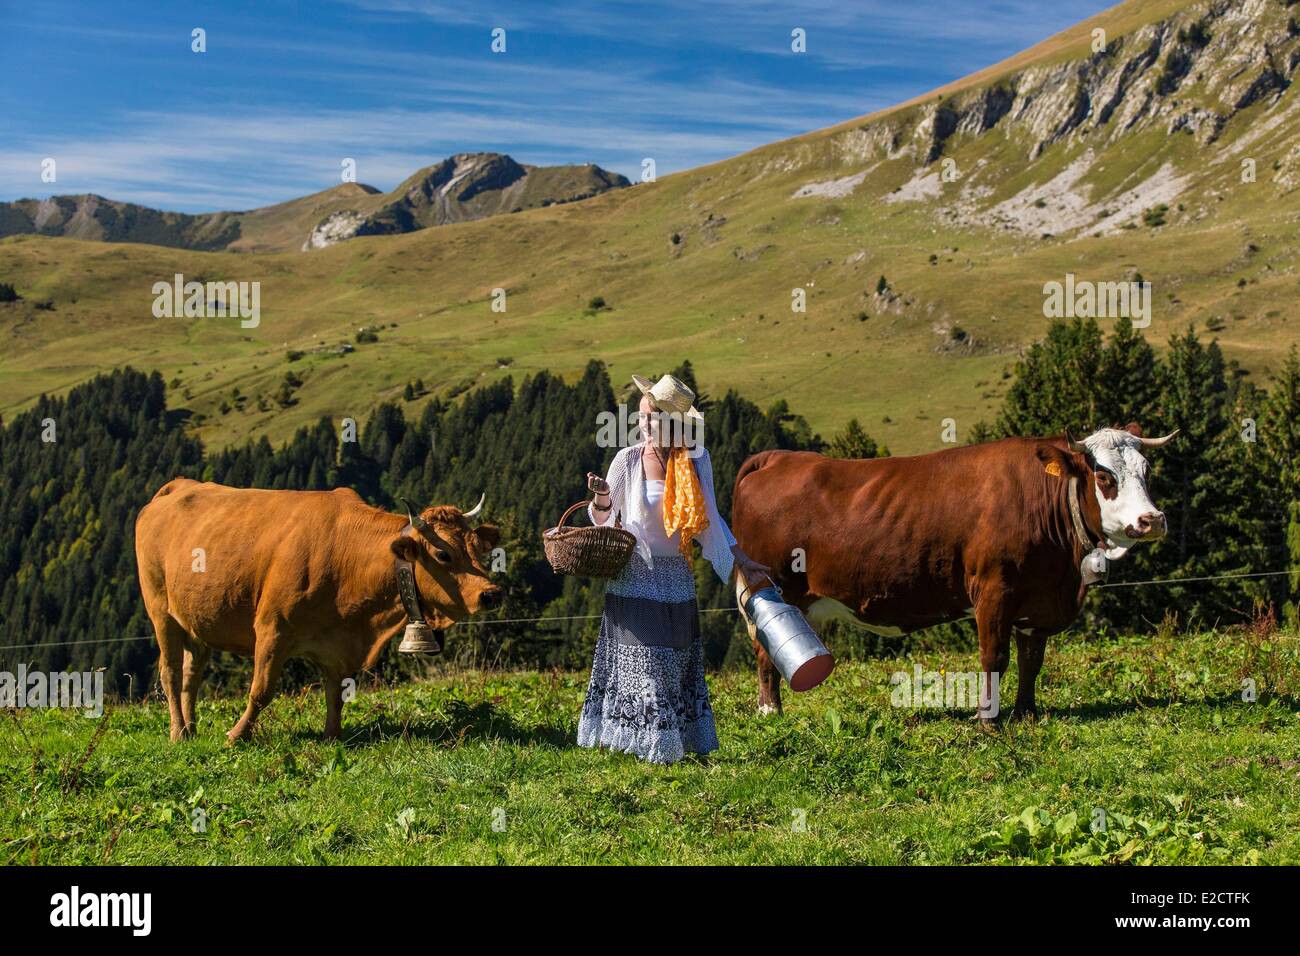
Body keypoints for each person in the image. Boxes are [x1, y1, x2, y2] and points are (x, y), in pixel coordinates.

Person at [577, 374, 769, 764]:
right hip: (634, 577)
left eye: (652, 418)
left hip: (677, 579)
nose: (643, 425)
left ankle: (669, 743)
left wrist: (740, 561)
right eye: (642, 416)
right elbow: (604, 522)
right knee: (643, 662)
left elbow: (710, 520)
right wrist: (599, 497)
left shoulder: (696, 462)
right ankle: (655, 749)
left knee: (672, 665)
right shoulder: (627, 460)